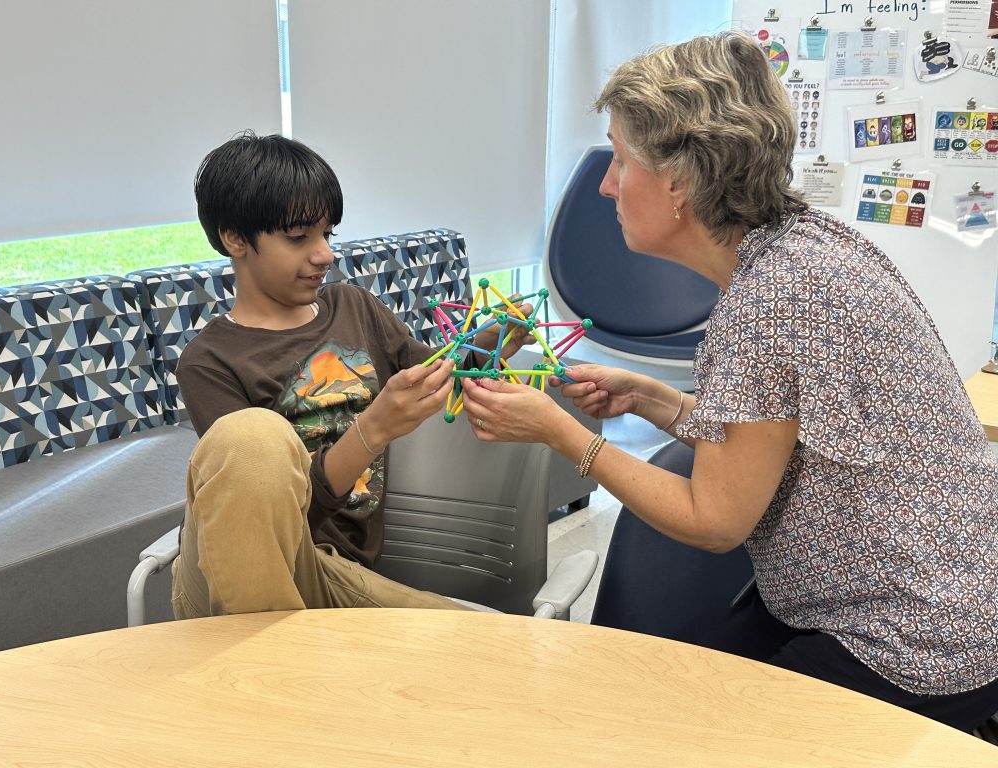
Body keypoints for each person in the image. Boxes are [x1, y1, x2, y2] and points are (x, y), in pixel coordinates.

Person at [460, 32, 998, 731]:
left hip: (914, 640)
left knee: (699, 735)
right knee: (684, 695)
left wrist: (563, 435)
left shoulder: (766, 302)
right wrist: (654, 401)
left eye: (621, 161)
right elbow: (776, 440)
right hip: (949, 595)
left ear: (680, 183)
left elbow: (713, 521)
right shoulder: (811, 248)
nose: (605, 184)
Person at [171, 131, 529, 617]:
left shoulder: (353, 307)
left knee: (484, 645)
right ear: (235, 239)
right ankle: (263, 671)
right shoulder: (210, 361)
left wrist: (484, 344)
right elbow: (262, 520)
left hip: (336, 573)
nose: (324, 255)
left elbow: (431, 371)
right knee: (253, 437)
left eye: (327, 234)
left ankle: (270, 671)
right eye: (298, 238)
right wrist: (374, 428)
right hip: (257, 567)